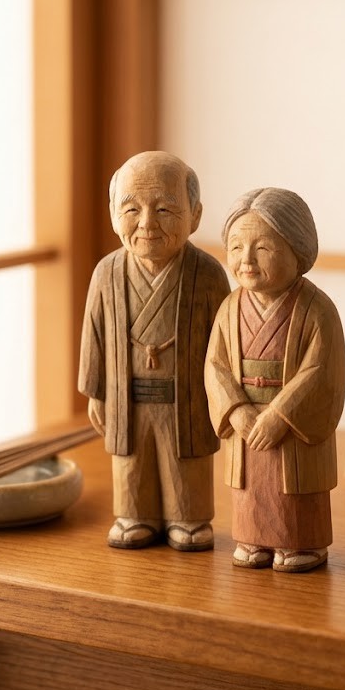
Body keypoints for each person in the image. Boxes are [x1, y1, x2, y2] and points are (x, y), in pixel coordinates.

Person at [78, 151, 230, 551]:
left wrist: (227, 397)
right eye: (131, 209)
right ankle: (135, 515)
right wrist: (96, 391)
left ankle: (189, 518)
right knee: (132, 460)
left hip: (189, 395)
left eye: (164, 209)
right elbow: (94, 334)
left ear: (195, 216)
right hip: (126, 394)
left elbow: (225, 342)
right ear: (113, 214)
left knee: (186, 459)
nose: (147, 223)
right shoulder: (107, 273)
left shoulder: (208, 274)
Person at [204, 188, 345, 574]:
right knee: (252, 487)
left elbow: (321, 372)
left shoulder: (318, 309)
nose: (246, 260)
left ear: (297, 250)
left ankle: (302, 543)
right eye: (236, 247)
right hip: (245, 421)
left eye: (263, 248)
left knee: (293, 489)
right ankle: (252, 539)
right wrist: (236, 410)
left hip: (291, 425)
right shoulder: (230, 307)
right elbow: (215, 366)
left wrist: (280, 415)